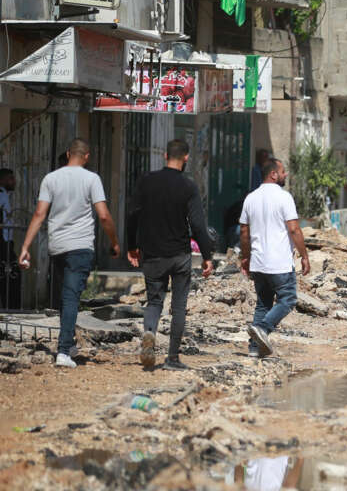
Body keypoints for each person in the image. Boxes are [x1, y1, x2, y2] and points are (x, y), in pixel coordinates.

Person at [17, 139, 119, 368]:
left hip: (57, 246)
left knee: (66, 296)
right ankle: (64, 351)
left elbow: (39, 214)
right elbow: (103, 215)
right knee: (72, 296)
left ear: (67, 153)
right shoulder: (92, 179)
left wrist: (25, 247)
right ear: (87, 156)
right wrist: (114, 242)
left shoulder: (50, 178)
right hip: (80, 247)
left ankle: (68, 343)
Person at [126, 140, 215, 371]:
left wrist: (132, 245)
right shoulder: (188, 187)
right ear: (185, 157)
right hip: (179, 256)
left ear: (165, 155)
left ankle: (148, 332)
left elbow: (132, 215)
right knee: (178, 306)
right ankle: (173, 358)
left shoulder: (146, 181)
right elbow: (197, 224)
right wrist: (207, 255)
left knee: (154, 301)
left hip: (152, 254)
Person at [239, 157, 310, 358]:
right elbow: (294, 229)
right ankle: (263, 329)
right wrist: (304, 256)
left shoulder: (250, 198)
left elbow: (244, 232)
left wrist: (246, 258)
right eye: (283, 171)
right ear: (273, 174)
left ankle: (254, 348)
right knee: (288, 300)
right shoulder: (284, 197)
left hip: (259, 263)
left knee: (263, 303)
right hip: (279, 263)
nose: (285, 174)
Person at [0, 168, 20, 309]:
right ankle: (11, 308)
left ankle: (9, 307)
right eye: (10, 178)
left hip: (7, 241)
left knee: (9, 275)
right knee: (11, 275)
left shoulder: (5, 195)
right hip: (3, 242)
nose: (13, 181)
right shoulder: (1, 195)